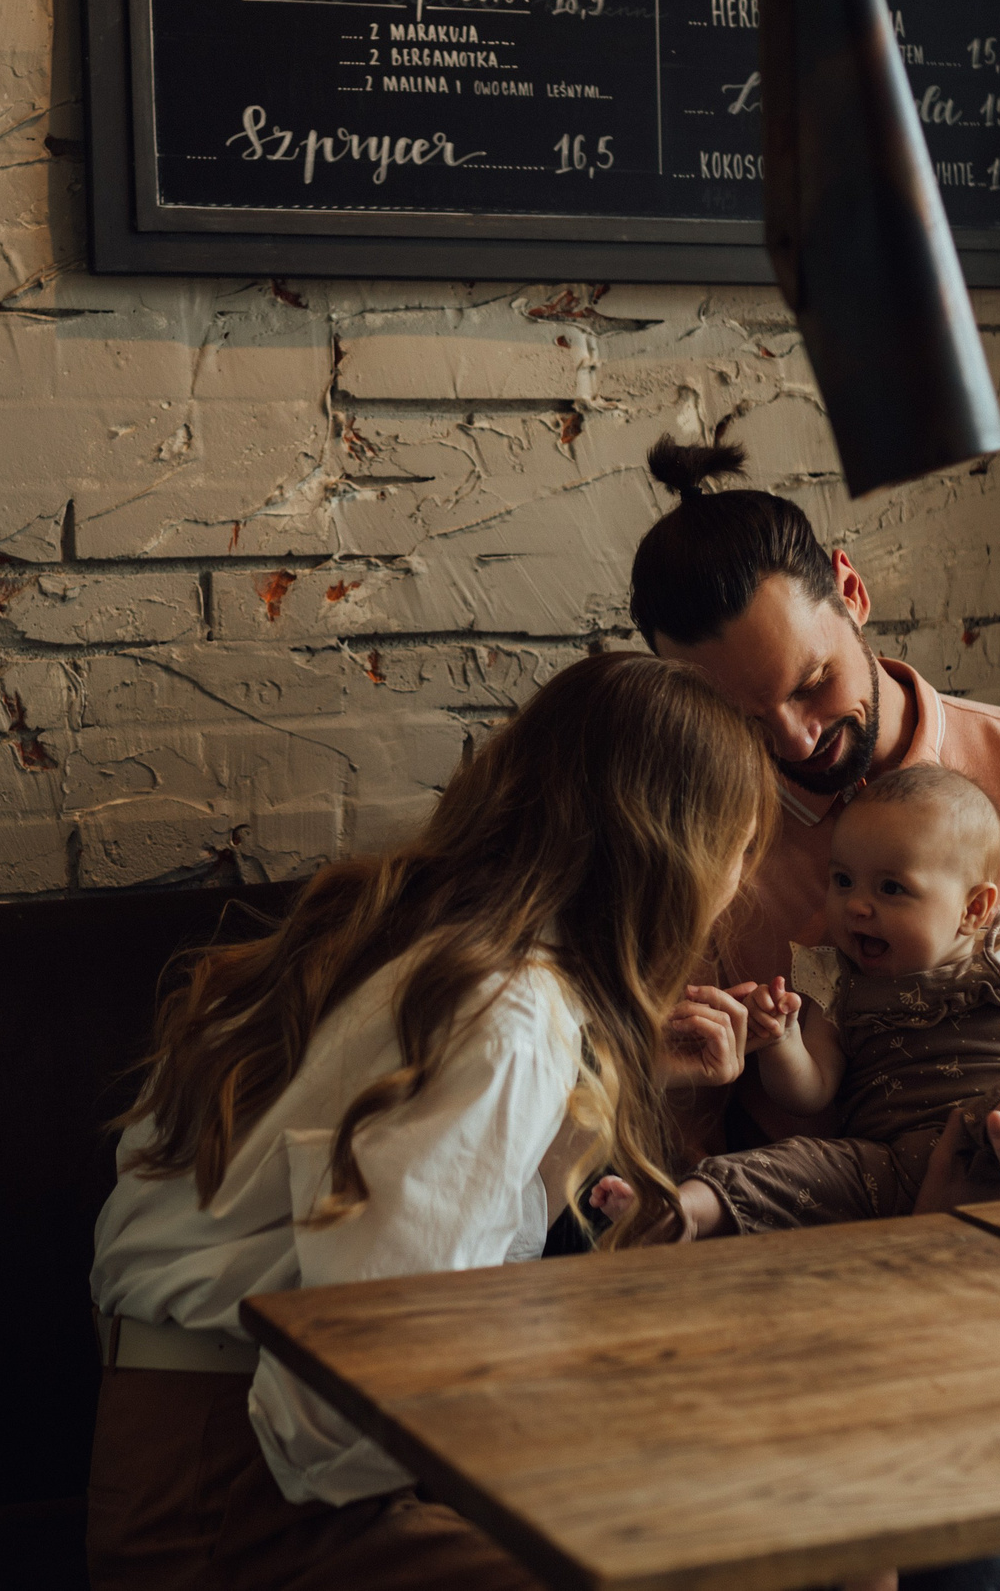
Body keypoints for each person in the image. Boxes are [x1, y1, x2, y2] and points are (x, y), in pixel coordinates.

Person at [84, 651, 778, 1591]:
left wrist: (606, 1066)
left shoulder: (407, 934)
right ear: (671, 854)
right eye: (740, 850)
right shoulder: (507, 1014)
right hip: (242, 1490)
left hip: (178, 1438)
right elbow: (370, 1358)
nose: (738, 885)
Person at [630, 439, 1000, 1197]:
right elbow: (685, 1122)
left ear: (851, 591)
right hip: (829, 1246)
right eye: (741, 717)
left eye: (814, 682)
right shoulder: (694, 844)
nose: (796, 739)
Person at [603, 764, 1000, 1239]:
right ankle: (678, 1209)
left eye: (890, 888)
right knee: (782, 1166)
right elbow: (810, 1091)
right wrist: (782, 1040)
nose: (855, 907)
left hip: (996, 1117)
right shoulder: (835, 980)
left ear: (973, 910)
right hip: (885, 1165)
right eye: (843, 880)